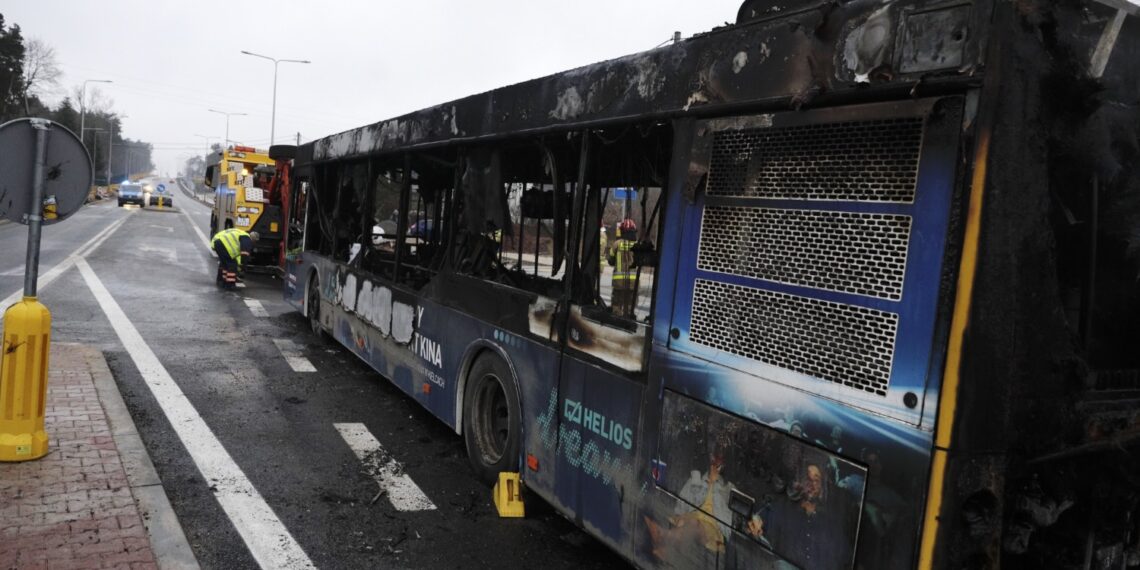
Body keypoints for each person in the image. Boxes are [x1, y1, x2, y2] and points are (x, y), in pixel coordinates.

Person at [608, 218, 638, 318]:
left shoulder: (617, 244)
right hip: (633, 281)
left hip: (619, 281)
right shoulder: (637, 244)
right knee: (630, 305)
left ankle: (616, 322)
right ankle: (629, 321)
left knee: (616, 304)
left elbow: (610, 260)